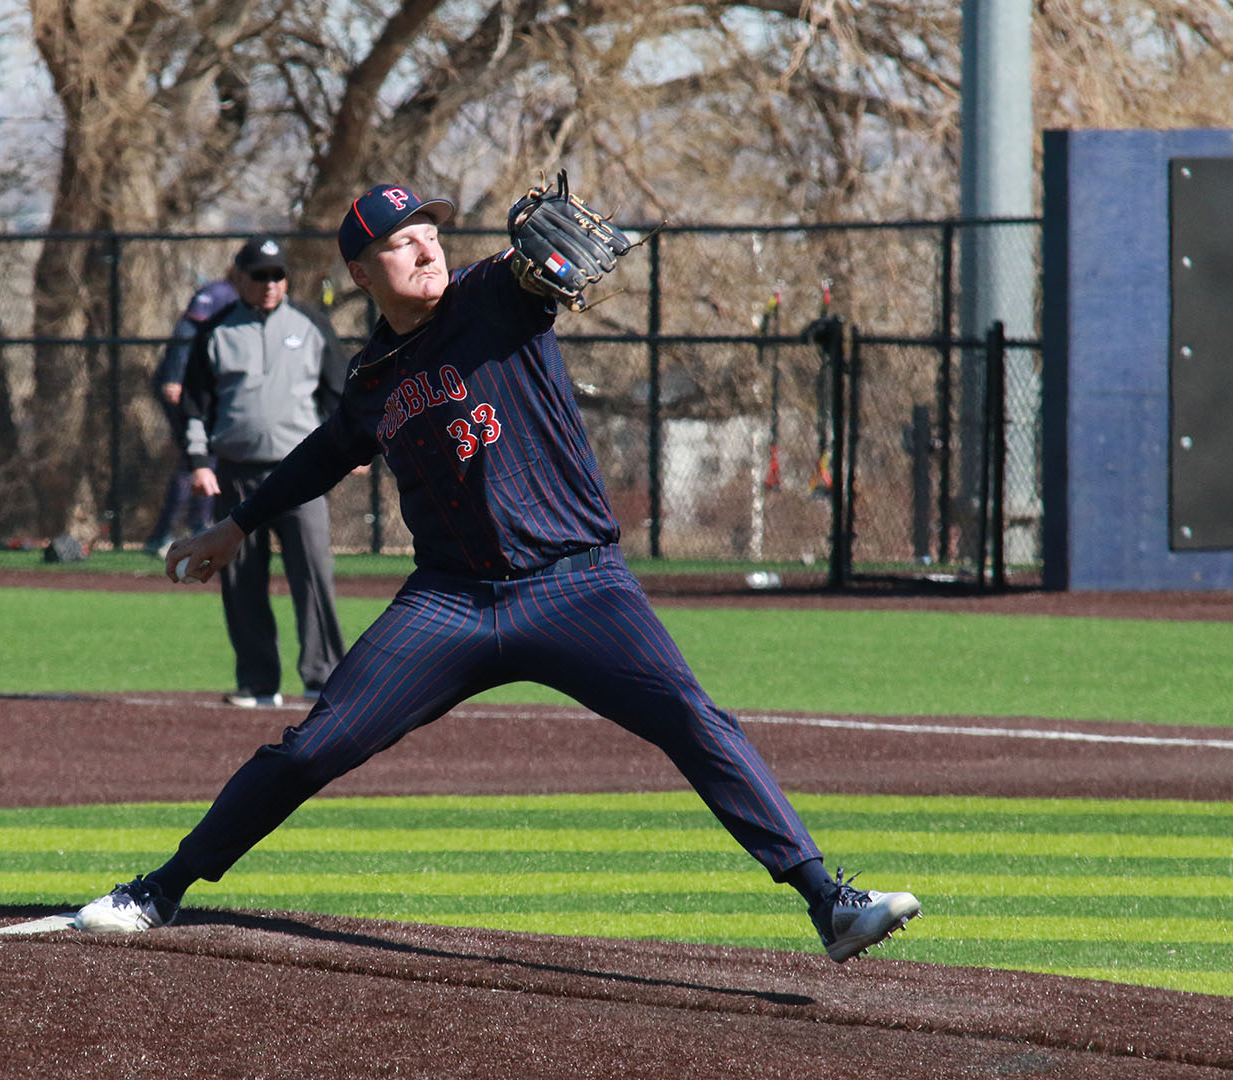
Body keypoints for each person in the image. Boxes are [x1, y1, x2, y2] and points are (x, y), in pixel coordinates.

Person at [77, 183, 922, 963]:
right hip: (448, 602)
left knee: (692, 718)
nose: (426, 249)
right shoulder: (373, 379)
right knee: (311, 750)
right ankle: (161, 889)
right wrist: (235, 525)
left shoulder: (493, 297)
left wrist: (537, 262)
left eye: (431, 233)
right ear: (361, 273)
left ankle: (828, 902)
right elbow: (325, 455)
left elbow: (537, 276)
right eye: (402, 242)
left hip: (576, 585)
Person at [178, 235, 349, 708]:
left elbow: (340, 395)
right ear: (240, 279)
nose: (270, 284)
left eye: (278, 275)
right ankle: (257, 682)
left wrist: (344, 451)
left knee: (313, 574)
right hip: (234, 473)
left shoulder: (312, 324)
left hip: (302, 474)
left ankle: (323, 678)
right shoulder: (215, 331)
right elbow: (195, 406)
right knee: (240, 579)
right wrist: (198, 464)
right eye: (260, 276)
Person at [141, 277, 234, 556]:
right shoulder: (219, 293)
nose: (267, 283)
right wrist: (174, 376)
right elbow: (186, 331)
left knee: (205, 458)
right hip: (184, 386)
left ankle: (194, 527)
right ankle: (169, 534)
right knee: (194, 460)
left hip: (207, 389)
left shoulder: (248, 302)